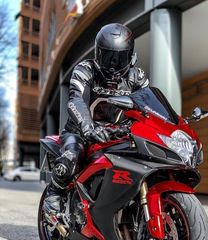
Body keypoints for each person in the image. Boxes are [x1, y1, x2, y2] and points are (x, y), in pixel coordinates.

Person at [43, 23, 149, 219]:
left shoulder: (138, 77)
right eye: (108, 56)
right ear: (98, 52)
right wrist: (88, 127)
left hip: (118, 135)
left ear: (131, 55)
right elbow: (76, 100)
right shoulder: (85, 70)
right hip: (80, 132)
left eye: (119, 58)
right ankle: (54, 193)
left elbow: (148, 106)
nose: (113, 64)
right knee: (71, 156)